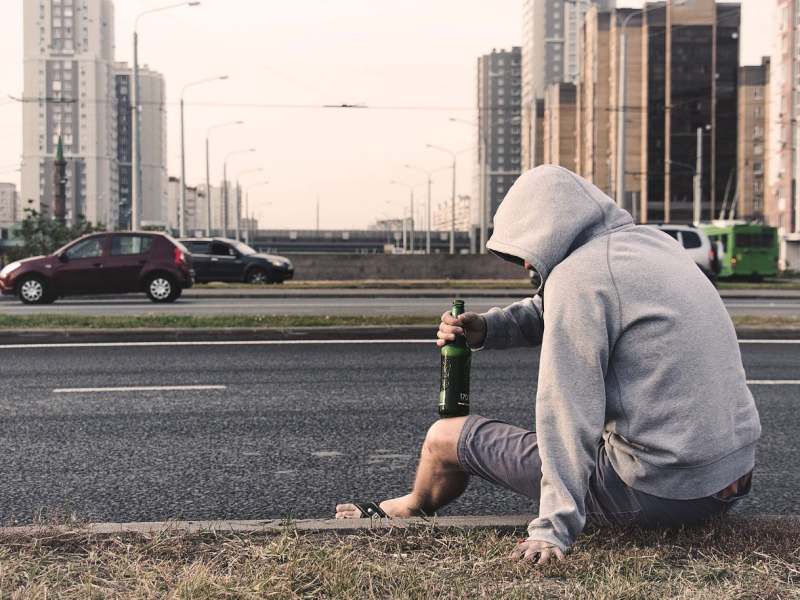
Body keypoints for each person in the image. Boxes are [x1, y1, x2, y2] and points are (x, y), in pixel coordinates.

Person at [336, 165, 761, 564]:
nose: (525, 264)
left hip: (665, 493)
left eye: (530, 248)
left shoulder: (580, 279)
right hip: (731, 477)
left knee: (444, 437)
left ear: (553, 231)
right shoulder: (651, 245)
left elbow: (567, 410)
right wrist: (487, 327)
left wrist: (553, 528)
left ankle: (410, 506)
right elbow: (551, 308)